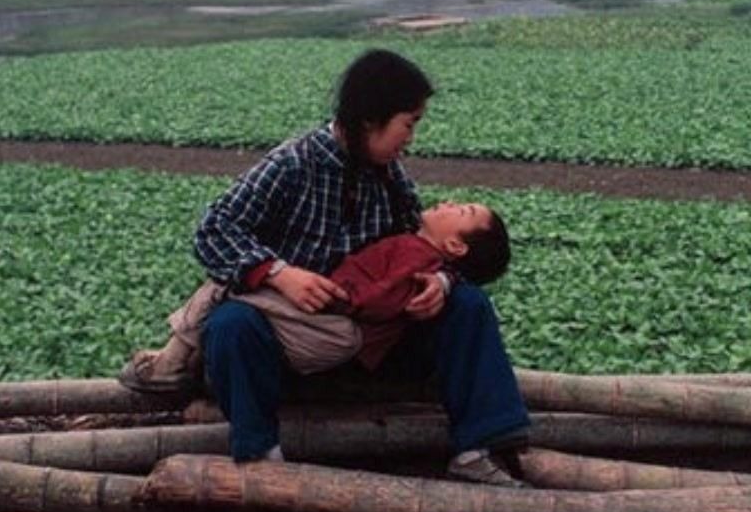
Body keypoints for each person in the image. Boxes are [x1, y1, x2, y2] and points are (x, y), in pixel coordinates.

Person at [177, 48, 532, 486]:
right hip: (296, 343)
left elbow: (430, 246)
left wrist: (441, 280)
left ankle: (478, 448)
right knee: (231, 325)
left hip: (372, 342)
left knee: (467, 304)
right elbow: (212, 232)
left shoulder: (390, 176)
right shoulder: (292, 164)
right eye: (409, 123)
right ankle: (261, 462)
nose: (411, 138)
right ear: (371, 120)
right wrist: (279, 274)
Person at [119, 199, 512, 389]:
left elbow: (382, 297)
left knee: (233, 284)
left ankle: (172, 361)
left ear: (457, 247)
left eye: (461, 211)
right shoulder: (415, 239)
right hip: (335, 322)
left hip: (339, 326)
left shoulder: (419, 257)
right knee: (237, 291)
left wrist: (339, 295)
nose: (449, 203)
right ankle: (182, 357)